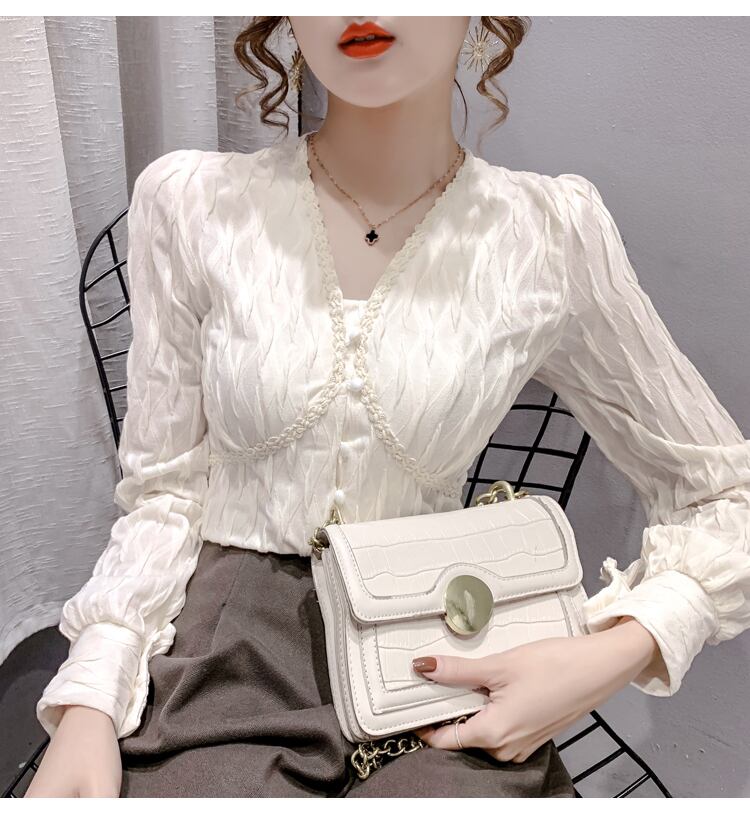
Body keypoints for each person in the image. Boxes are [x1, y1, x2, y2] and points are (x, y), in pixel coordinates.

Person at [25, 16, 750, 798]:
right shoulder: (193, 204)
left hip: (444, 656)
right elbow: (163, 494)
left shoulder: (548, 234)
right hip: (226, 654)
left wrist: (610, 651)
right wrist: (91, 695)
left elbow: (727, 498)